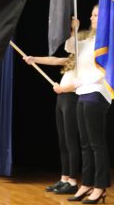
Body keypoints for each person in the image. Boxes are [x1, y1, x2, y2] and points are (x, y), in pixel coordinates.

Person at [67, 5, 114, 205]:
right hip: (83, 94)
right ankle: (87, 183)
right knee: (85, 143)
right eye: (91, 14)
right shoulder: (88, 40)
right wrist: (74, 30)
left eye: (97, 15)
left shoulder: (107, 41)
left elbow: (106, 69)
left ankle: (100, 186)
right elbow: (69, 48)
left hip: (97, 93)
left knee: (96, 143)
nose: (92, 18)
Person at [24, 39, 81, 196]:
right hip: (62, 98)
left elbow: (78, 83)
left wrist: (62, 88)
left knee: (70, 141)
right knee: (63, 141)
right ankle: (64, 178)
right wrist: (33, 59)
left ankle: (73, 181)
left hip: (71, 98)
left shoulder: (85, 61)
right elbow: (54, 60)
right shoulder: (72, 59)